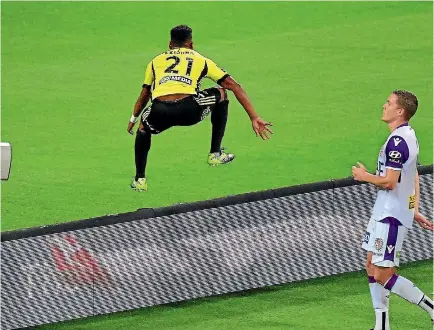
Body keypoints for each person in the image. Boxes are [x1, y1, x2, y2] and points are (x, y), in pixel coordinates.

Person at [127, 25, 273, 191]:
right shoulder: (201, 60)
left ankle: (140, 180)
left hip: (161, 111)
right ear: (191, 44)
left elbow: (144, 95)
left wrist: (133, 118)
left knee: (143, 128)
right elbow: (234, 86)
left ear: (169, 44)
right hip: (189, 110)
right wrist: (254, 117)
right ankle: (215, 154)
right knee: (222, 93)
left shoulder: (155, 62)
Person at [352, 90, 433, 330]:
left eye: (389, 103)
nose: (384, 105)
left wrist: (365, 176)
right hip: (385, 211)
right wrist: (414, 208)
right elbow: (413, 175)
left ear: (400, 111)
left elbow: (389, 181)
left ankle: (431, 308)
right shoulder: (406, 136)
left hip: (391, 216)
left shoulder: (398, 141)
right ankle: (382, 325)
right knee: (370, 264)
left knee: (383, 274)